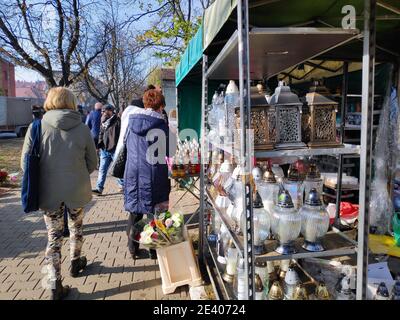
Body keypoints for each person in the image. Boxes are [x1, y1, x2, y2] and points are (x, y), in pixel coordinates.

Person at [20, 87, 97, 300]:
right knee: (77, 227)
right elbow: (93, 163)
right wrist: (76, 173)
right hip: (77, 190)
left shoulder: (36, 127)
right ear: (72, 102)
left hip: (49, 193)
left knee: (54, 237)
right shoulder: (82, 128)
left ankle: (54, 284)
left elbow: (26, 165)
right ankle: (75, 261)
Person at [124, 89, 170, 260]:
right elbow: (169, 150)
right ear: (161, 106)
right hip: (153, 173)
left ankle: (132, 249)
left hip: (133, 172)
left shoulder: (131, 121)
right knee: (154, 212)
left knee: (135, 211)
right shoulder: (160, 125)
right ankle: (153, 251)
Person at [92, 104, 122, 195]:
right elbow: (101, 133)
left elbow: (120, 135)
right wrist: (99, 145)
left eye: (104, 111)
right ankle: (99, 188)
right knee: (102, 169)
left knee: (117, 169)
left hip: (114, 149)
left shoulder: (117, 121)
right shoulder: (103, 120)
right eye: (102, 111)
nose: (103, 113)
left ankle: (123, 185)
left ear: (110, 111)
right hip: (104, 149)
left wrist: (118, 146)